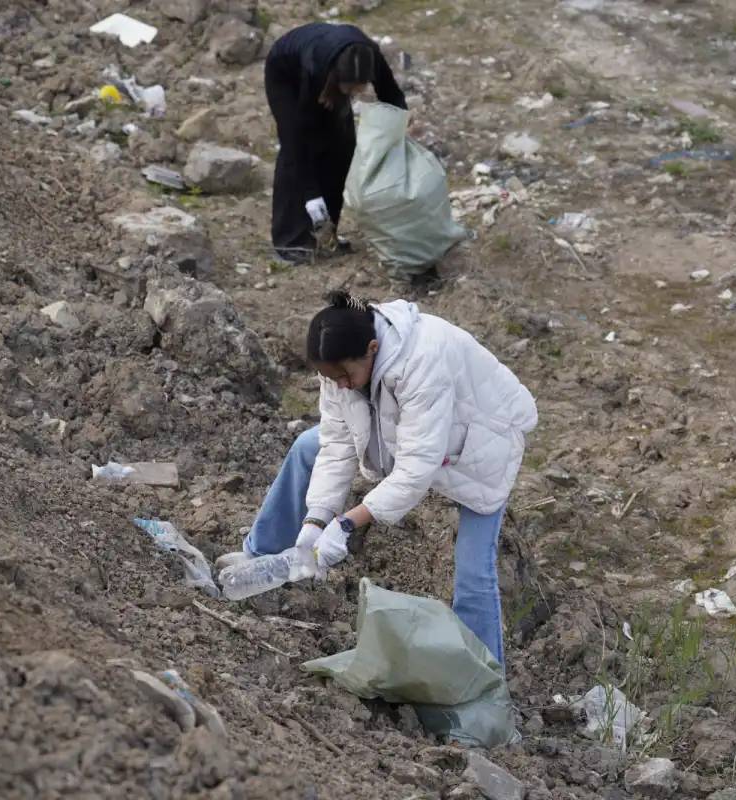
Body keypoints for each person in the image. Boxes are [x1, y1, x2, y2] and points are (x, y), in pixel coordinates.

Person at [218, 291, 538, 667]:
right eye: (329, 377)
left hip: (481, 438)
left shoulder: (424, 359)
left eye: (344, 376)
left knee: (473, 569)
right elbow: (336, 443)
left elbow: (416, 468)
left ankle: (484, 689)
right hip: (410, 435)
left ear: (372, 349)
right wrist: (315, 520)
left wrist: (347, 524)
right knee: (308, 445)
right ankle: (263, 553)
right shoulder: (339, 362)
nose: (339, 385)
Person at [264, 23, 407, 263]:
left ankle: (324, 232)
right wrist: (311, 195)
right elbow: (298, 137)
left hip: (327, 77)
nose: (356, 93)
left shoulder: (370, 56)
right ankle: (291, 242)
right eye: (351, 89)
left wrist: (397, 137)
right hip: (286, 75)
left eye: (360, 87)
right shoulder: (313, 66)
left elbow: (392, 96)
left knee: (342, 147)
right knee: (298, 150)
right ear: (334, 77)